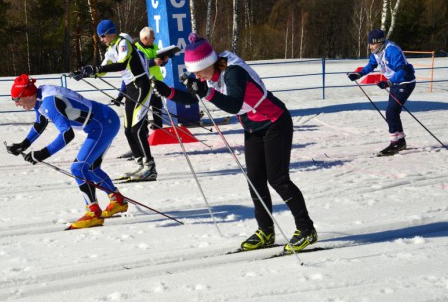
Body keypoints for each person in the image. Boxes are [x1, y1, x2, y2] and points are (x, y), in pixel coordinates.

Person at [151, 33, 317, 252]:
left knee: (277, 179)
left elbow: (233, 105)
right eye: (195, 74)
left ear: (208, 63)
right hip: (253, 127)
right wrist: (169, 92)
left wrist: (207, 92)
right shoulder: (212, 71)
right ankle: (266, 231)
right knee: (255, 180)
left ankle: (306, 229)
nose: (199, 77)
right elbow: (194, 97)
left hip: (275, 122)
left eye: (199, 72)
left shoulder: (233, 72)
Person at [6, 74, 128, 229]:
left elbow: (67, 134)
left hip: (103, 124)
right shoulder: (40, 96)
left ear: (27, 95)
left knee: (78, 168)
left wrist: (41, 154)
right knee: (91, 168)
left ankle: (93, 213)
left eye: (17, 100)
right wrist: (23, 145)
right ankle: (118, 201)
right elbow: (40, 122)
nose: (16, 104)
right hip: (103, 121)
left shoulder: (49, 102)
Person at [73, 19, 157, 181]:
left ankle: (150, 167)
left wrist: (96, 69)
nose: (101, 39)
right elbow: (102, 70)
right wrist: (84, 72)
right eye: (99, 36)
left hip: (141, 85)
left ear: (111, 32)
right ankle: (140, 164)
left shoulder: (122, 43)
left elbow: (121, 64)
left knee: (137, 129)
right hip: (130, 89)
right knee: (127, 130)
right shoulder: (111, 48)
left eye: (103, 35)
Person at [347, 29, 416, 156]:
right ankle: (400, 140)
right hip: (394, 83)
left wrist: (389, 82)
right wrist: (358, 74)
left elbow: (403, 70)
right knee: (393, 112)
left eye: (372, 44)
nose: (370, 47)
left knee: (391, 111)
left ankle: (395, 143)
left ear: (379, 42)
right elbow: (371, 65)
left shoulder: (392, 50)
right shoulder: (376, 52)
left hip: (405, 82)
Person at [134, 26, 169, 130]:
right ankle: (143, 129)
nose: (154, 39)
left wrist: (164, 60)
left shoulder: (154, 46)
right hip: (144, 82)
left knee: (157, 105)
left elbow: (159, 62)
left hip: (156, 81)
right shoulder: (136, 48)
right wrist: (153, 62)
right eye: (152, 37)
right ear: (145, 38)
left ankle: (158, 127)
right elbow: (138, 65)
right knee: (144, 106)